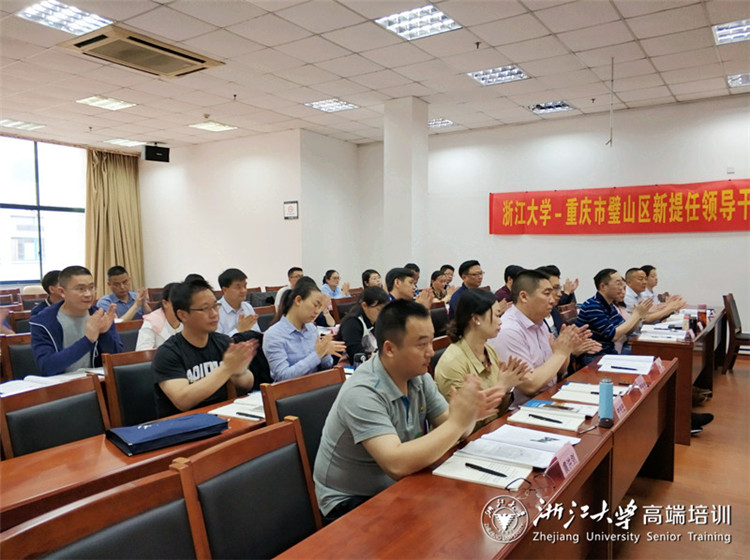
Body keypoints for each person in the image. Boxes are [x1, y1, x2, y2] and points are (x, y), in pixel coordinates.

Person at [314, 299, 506, 523]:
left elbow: (454, 429)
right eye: (421, 344)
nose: (431, 352)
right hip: (351, 500)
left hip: (402, 483)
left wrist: (468, 415)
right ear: (389, 349)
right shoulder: (362, 392)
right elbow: (395, 463)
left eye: (431, 342)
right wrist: (458, 422)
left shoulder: (419, 377)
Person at [151, 279, 256, 417]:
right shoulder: (168, 353)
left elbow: (247, 383)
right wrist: (226, 368)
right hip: (184, 424)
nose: (214, 314)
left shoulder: (223, 342)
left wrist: (239, 371)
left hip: (222, 416)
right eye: (205, 309)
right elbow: (182, 401)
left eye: (215, 306)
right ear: (183, 315)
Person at [490, 270, 590, 407]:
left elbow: (559, 371)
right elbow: (530, 385)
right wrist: (560, 353)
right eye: (547, 294)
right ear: (524, 297)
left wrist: (566, 348)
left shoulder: (539, 322)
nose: (553, 300)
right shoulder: (508, 330)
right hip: (523, 408)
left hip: (549, 397)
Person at [435, 289, 531, 430]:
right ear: (476, 319)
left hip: (491, 431)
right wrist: (502, 386)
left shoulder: (489, 350)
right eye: (497, 315)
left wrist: (508, 387)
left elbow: (497, 413)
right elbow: (463, 424)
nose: (500, 321)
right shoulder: (452, 363)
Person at [30, 265, 123, 376]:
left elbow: (117, 360)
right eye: (80, 289)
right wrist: (87, 340)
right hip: (60, 384)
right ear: (62, 292)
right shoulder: (43, 322)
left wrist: (103, 333)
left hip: (97, 382)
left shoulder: (100, 317)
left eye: (91, 287)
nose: (88, 294)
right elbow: (47, 366)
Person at [263, 277, 346, 381]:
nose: (317, 311)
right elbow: (282, 376)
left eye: (320, 307)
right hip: (293, 390)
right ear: (298, 300)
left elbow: (326, 367)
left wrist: (324, 354)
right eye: (315, 305)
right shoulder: (274, 335)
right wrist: (317, 355)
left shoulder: (311, 328)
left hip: (317, 385)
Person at [575, 269, 653, 365]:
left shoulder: (609, 305)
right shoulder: (592, 306)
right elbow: (613, 336)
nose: (621, 288)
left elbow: (627, 330)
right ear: (603, 286)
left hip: (608, 352)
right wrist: (636, 314)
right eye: (618, 283)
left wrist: (639, 316)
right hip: (594, 356)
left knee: (649, 359)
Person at [338, 286, 390, 365]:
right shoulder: (352, 322)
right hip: (348, 366)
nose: (383, 313)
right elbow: (355, 354)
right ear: (364, 306)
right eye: (379, 309)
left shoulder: (377, 321)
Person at [135, 282, 183, 350]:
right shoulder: (152, 321)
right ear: (165, 303)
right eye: (178, 303)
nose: (182, 307)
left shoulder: (189, 319)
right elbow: (142, 351)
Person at [216, 268, 261, 336]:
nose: (244, 290)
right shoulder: (216, 311)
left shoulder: (247, 307)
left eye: (245, 286)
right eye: (238, 287)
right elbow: (217, 341)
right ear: (225, 290)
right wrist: (239, 330)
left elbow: (257, 333)